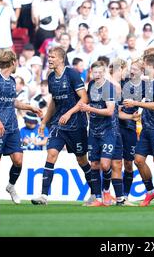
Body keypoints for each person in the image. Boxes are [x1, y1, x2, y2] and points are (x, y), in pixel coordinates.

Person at [31, 47, 92, 206]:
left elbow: (84, 98)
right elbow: (54, 101)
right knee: (51, 154)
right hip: (59, 125)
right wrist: (44, 121)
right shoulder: (50, 77)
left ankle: (95, 193)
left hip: (76, 125)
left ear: (60, 59)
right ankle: (43, 195)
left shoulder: (71, 74)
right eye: (49, 57)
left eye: (52, 57)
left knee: (82, 161)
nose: (49, 59)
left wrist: (69, 113)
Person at [0, 50, 42, 206]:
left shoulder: (12, 81)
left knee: (18, 160)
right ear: (13, 62)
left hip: (13, 127)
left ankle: (10, 186)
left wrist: (30, 107)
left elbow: (12, 102)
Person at [123, 53, 154, 207]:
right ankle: (151, 191)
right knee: (138, 160)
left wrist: (136, 103)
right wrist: (140, 114)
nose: (143, 68)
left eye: (145, 65)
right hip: (146, 128)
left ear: (152, 66)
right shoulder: (149, 83)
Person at [78, 61, 125, 206]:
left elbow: (110, 111)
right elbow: (89, 105)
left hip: (108, 131)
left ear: (104, 73)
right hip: (93, 131)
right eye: (94, 72)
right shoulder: (91, 85)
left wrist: (89, 109)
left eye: (99, 72)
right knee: (94, 165)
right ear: (91, 72)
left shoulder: (108, 88)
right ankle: (98, 198)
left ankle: (106, 191)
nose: (97, 75)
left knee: (105, 165)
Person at [118, 59, 143, 206]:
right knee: (114, 163)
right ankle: (107, 194)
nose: (132, 71)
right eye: (131, 68)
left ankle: (125, 195)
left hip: (131, 128)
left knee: (128, 163)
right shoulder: (122, 82)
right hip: (117, 127)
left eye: (136, 69)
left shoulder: (145, 86)